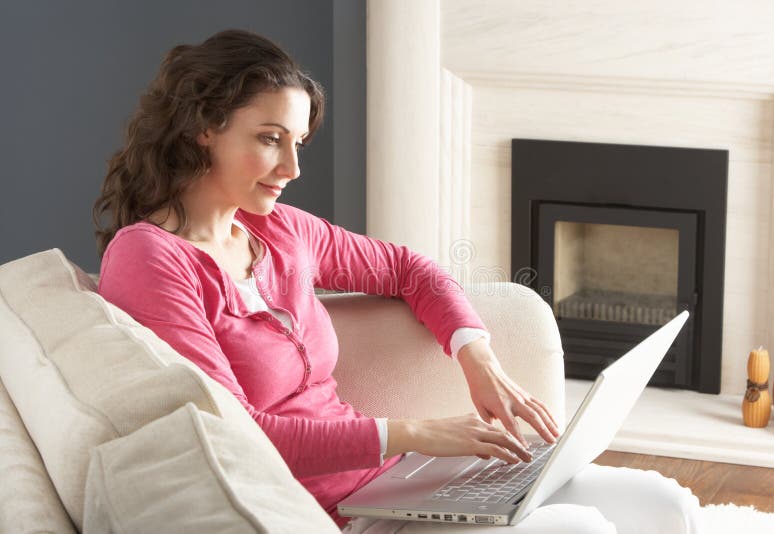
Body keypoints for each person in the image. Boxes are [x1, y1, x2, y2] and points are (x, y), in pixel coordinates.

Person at [93, 29, 700, 533]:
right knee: (578, 529)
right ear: (204, 126)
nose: (294, 167)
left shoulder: (278, 230)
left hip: (389, 482)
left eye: (298, 142)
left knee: (666, 507)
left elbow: (409, 269)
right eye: (270, 140)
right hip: (331, 512)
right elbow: (235, 431)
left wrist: (476, 357)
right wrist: (422, 434)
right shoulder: (150, 259)